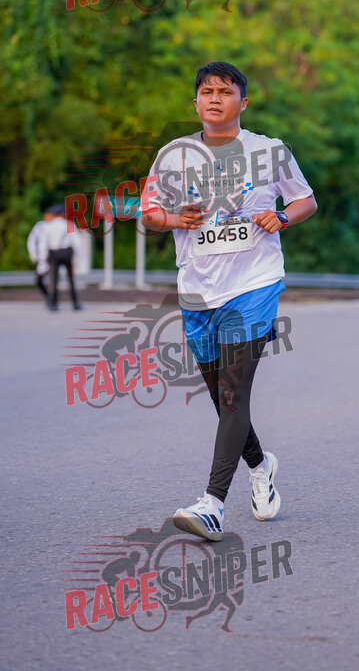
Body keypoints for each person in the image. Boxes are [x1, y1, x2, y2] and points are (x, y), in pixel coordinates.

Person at [141, 61, 317, 541]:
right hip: (198, 291)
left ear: (244, 101)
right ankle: (260, 466)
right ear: (195, 102)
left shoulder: (270, 152)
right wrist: (175, 219)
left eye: (225, 90)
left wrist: (282, 217)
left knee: (235, 393)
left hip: (255, 284)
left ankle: (212, 505)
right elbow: (148, 214)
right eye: (206, 91)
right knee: (223, 396)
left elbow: (305, 201)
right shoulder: (173, 156)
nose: (215, 98)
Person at [38, 205, 83, 311]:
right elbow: (77, 242)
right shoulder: (69, 225)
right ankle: (75, 303)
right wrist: (79, 257)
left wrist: (42, 261)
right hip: (66, 252)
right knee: (71, 279)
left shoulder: (47, 226)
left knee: (53, 279)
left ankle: (53, 304)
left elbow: (43, 244)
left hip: (54, 253)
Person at [27, 218, 48, 298]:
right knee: (39, 279)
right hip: (40, 256)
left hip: (53, 257)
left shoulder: (61, 224)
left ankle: (53, 297)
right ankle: (48, 295)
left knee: (54, 278)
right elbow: (31, 241)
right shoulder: (40, 226)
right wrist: (34, 254)